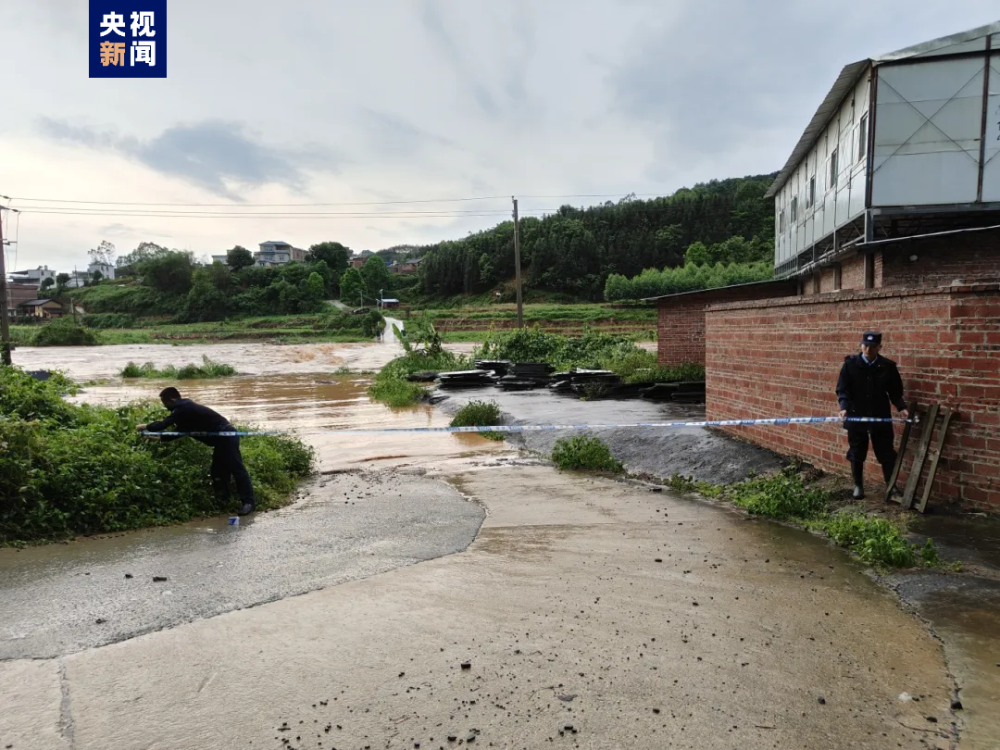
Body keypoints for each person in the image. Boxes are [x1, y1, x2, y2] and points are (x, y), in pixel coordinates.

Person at [136, 387, 255, 515]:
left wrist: (145, 426)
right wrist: (158, 438)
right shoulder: (185, 411)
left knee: (236, 468)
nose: (165, 407)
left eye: (165, 403)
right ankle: (223, 500)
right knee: (217, 470)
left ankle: (248, 503)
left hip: (227, 435)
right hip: (220, 439)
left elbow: (162, 425)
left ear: (172, 399)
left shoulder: (183, 407)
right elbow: (180, 431)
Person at [836, 331, 909, 500]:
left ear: (879, 347)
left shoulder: (887, 366)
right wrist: (844, 407)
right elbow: (842, 389)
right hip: (856, 415)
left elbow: (895, 391)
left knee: (886, 452)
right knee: (856, 451)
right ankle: (858, 486)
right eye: (865, 345)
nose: (868, 349)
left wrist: (901, 407)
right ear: (861, 345)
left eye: (872, 346)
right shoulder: (850, 365)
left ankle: (891, 487)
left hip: (879, 415)